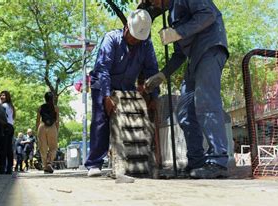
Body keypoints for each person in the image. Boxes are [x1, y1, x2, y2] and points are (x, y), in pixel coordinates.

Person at [145, 0, 229, 179]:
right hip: (194, 60)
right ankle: (197, 162)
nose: (153, 3)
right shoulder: (171, 15)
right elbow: (179, 54)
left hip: (210, 49)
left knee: (206, 102)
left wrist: (178, 32)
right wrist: (161, 75)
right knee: (184, 111)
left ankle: (218, 161)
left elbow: (208, 15)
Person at [84, 9, 159, 177]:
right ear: (126, 28)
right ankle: (95, 163)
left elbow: (151, 70)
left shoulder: (146, 44)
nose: (135, 41)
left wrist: (154, 96)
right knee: (101, 119)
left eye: (139, 39)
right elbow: (103, 69)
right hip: (102, 84)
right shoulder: (111, 39)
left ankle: (133, 161)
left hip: (126, 86)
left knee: (134, 117)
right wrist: (106, 96)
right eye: (133, 37)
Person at [36, 92, 59, 174]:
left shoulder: (40, 107)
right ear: (52, 98)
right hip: (52, 127)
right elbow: (57, 121)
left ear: (45, 98)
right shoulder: (55, 108)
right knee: (53, 147)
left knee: (43, 148)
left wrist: (37, 131)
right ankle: (49, 162)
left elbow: (38, 120)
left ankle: (45, 166)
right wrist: (57, 130)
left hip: (42, 126)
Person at [0, 91, 16, 174]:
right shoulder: (11, 106)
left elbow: (1, 116)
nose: (2, 96)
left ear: (7, 97)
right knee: (8, 148)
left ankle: (2, 168)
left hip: (5, 127)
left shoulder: (4, 105)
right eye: (1, 95)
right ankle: (9, 168)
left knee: (3, 148)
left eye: (4, 95)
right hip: (10, 127)